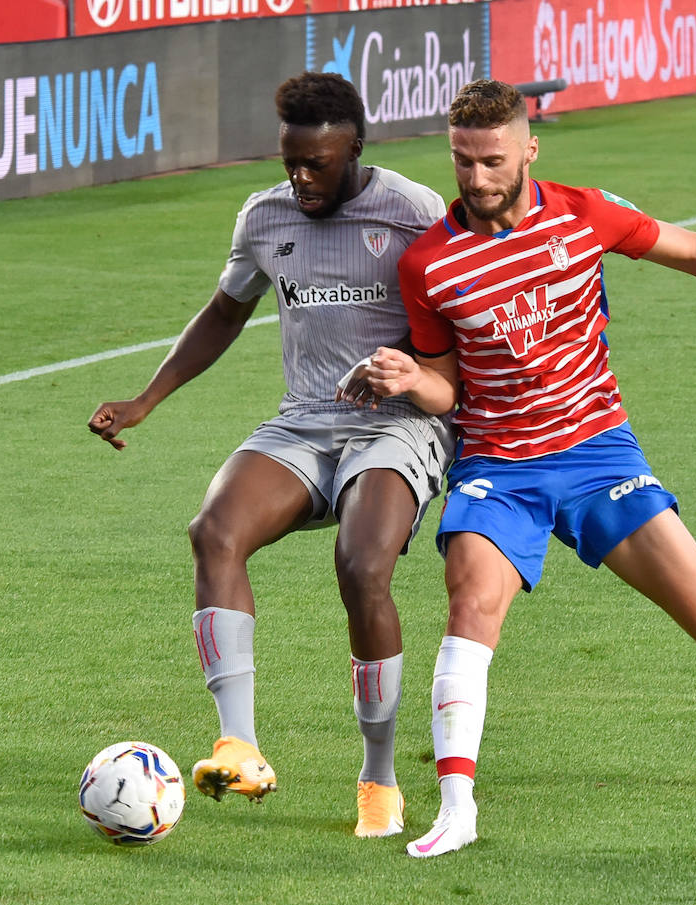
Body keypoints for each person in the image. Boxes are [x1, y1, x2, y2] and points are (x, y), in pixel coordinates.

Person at [340, 79, 696, 858]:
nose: (474, 179)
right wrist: (414, 381)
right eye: (461, 161)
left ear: (530, 149)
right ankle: (457, 804)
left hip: (597, 452)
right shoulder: (429, 264)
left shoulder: (581, 215)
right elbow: (448, 384)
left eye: (491, 161)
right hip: (500, 467)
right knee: (471, 601)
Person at [87, 71, 452, 839]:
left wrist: (413, 376)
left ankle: (378, 777)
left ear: (355, 148)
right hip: (303, 423)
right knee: (214, 530)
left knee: (362, 566)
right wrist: (147, 399)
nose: (300, 177)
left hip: (397, 424)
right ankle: (238, 744)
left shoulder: (416, 214)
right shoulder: (265, 217)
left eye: (316, 163)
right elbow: (225, 311)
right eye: (290, 161)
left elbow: (456, 332)